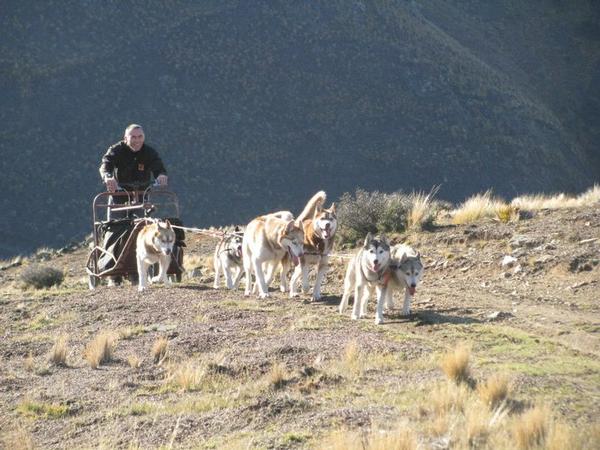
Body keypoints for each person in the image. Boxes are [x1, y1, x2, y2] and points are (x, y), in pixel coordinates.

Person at [98, 124, 169, 285]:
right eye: (133, 137)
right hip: (119, 196)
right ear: (126, 138)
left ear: (144, 137)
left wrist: (161, 175)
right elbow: (106, 164)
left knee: (142, 231)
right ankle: (112, 273)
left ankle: (137, 272)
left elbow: (158, 166)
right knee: (115, 229)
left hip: (141, 195)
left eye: (140, 137)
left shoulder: (149, 152)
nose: (137, 141)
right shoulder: (116, 150)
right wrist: (108, 177)